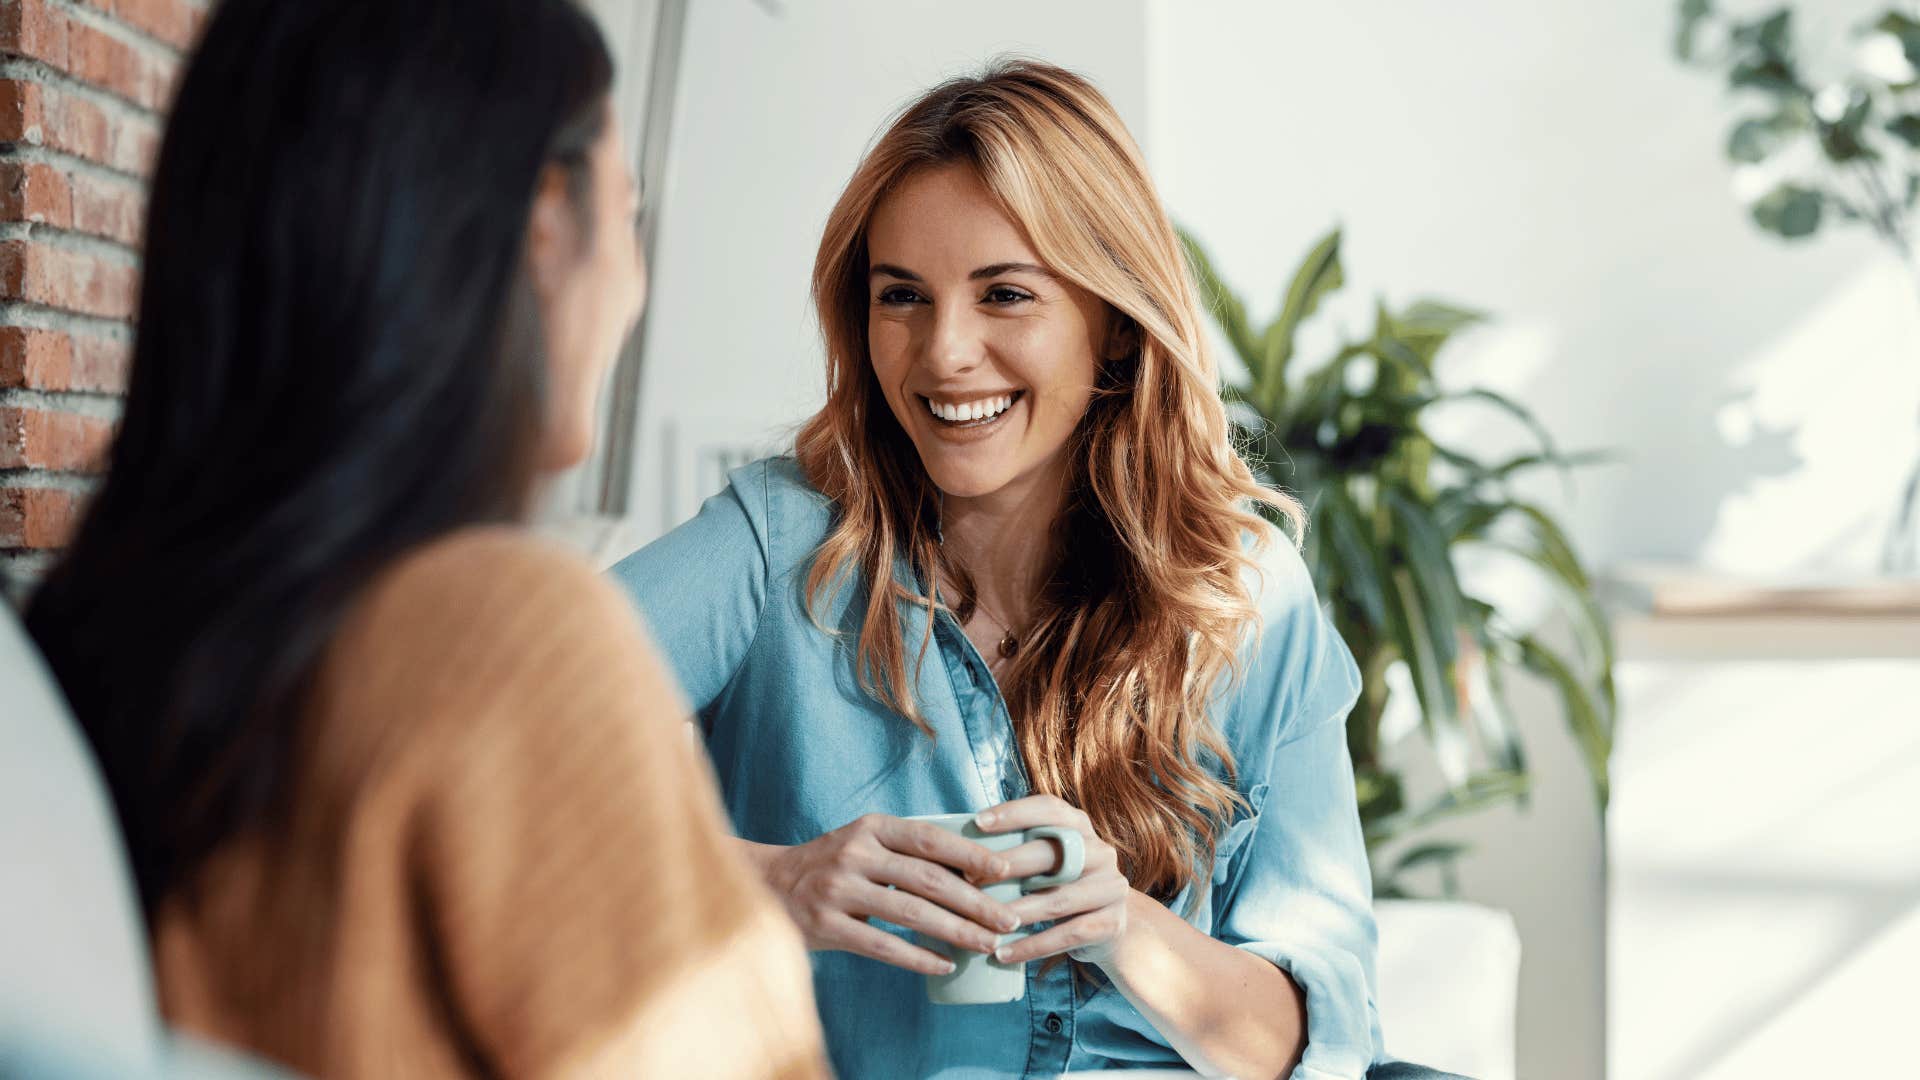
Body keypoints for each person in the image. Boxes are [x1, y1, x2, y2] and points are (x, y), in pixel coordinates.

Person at [613, 59, 1464, 1080]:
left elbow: (1308, 1043)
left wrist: (1121, 926)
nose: (943, 353)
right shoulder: (781, 542)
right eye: (903, 298)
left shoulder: (1242, 592)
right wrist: (770, 881)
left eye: (1005, 294)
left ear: (1109, 322)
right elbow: (488, 743)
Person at [25, 1, 828, 1076]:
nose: (632, 287)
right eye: (629, 214)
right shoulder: (504, 633)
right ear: (545, 225)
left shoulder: (113, 635)